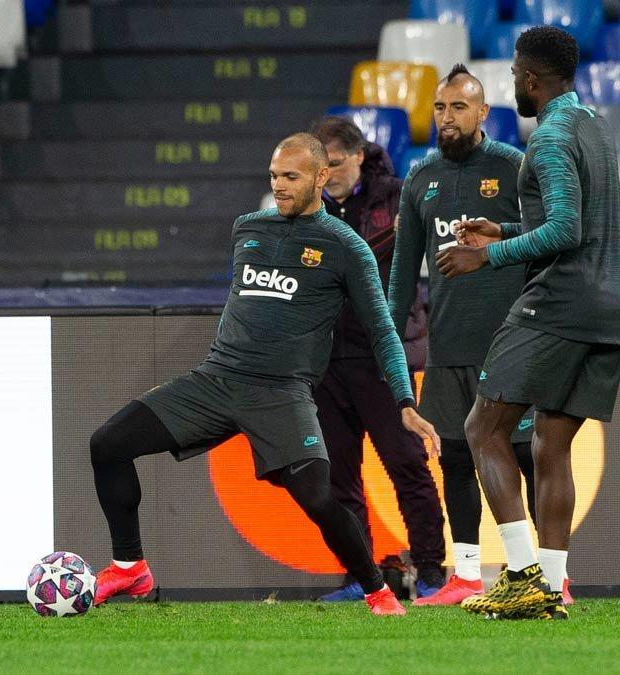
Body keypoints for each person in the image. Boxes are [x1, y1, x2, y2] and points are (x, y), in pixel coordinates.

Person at [89, 132, 441, 617]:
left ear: (321, 177)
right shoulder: (247, 228)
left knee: (320, 499)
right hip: (215, 381)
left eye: (291, 176)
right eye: (274, 175)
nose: (279, 185)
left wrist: (403, 399)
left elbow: (383, 330)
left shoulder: (346, 247)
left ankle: (378, 591)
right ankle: (130, 566)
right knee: (106, 443)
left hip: (281, 395)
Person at [439, 26, 620, 620]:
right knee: (551, 443)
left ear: (532, 79)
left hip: (559, 304)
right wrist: (505, 230)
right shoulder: (598, 127)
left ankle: (521, 578)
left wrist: (484, 254)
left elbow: (566, 232)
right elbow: (584, 222)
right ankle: (555, 585)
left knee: (483, 428)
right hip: (609, 310)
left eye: (515, 74)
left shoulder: (548, 141)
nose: (512, 81)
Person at [389, 64, 541, 607]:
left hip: (509, 343)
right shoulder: (421, 177)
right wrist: (392, 340)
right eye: (440, 108)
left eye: (459, 107)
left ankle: (548, 575)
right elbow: (404, 273)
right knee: (454, 457)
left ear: (483, 113)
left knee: (527, 457)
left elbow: (548, 242)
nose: (447, 118)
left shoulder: (514, 166)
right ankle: (468, 575)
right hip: (448, 345)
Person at [307, 116, 446, 600]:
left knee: (407, 465)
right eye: (321, 167)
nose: (330, 174)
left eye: (338, 163)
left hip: (385, 358)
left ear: (360, 155)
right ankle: (361, 580)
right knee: (338, 478)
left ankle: (431, 573)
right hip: (327, 361)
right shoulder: (306, 207)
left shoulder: (398, 196)